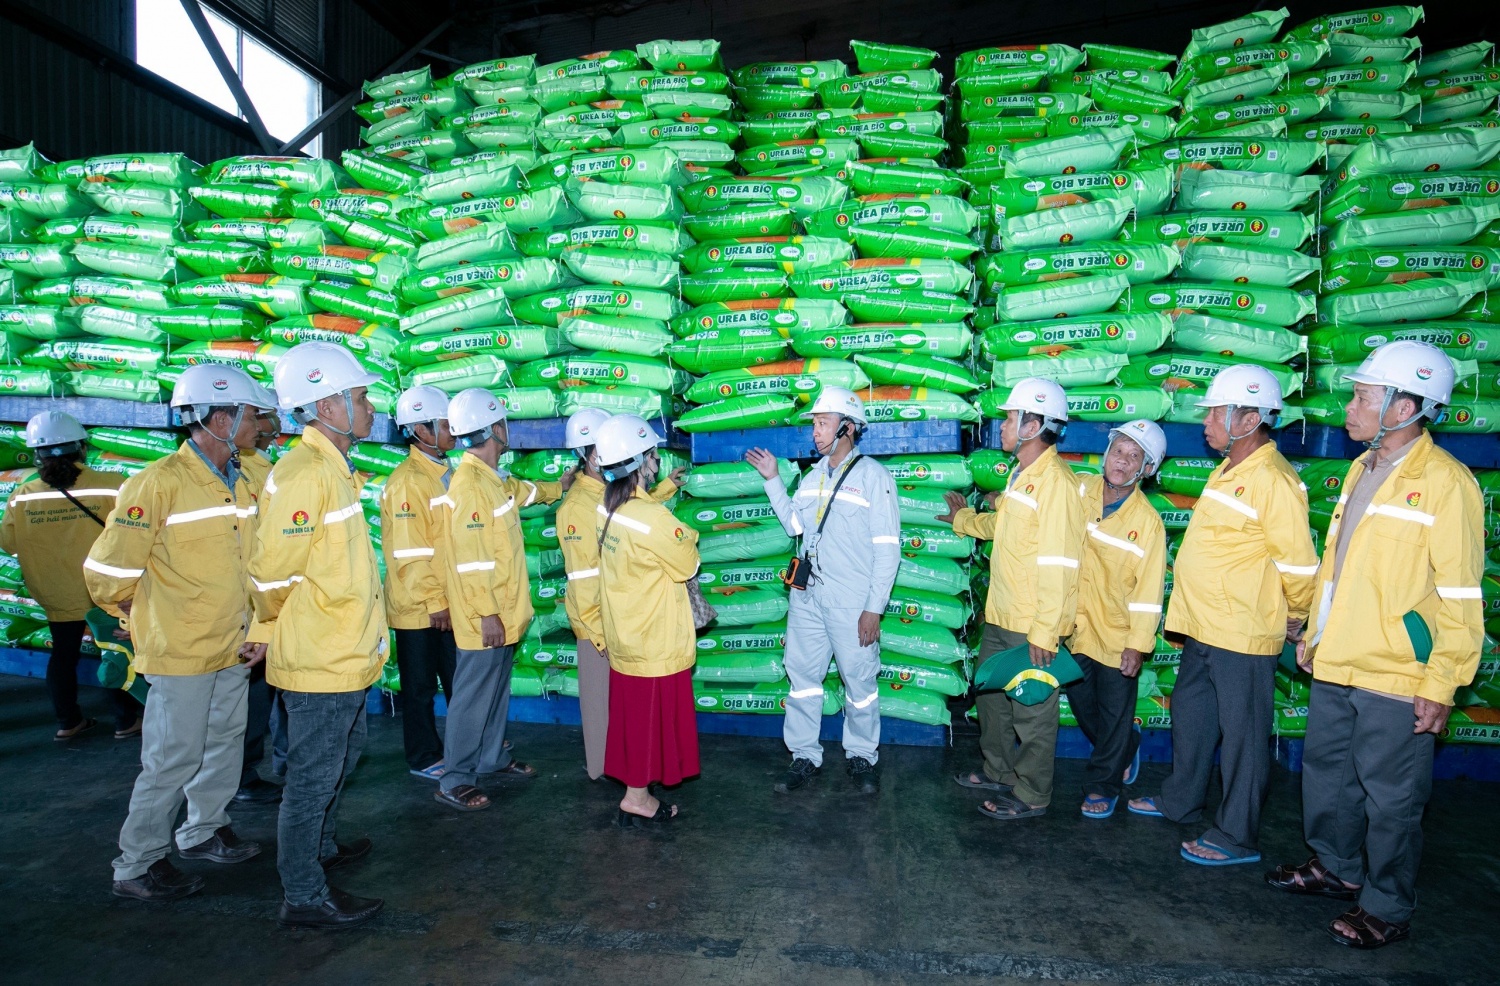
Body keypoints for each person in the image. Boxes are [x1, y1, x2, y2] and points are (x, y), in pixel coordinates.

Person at [1266, 342, 1485, 949]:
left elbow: (1462, 594)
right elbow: (1338, 567)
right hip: (1339, 656)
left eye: (1364, 396)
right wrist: (1315, 630)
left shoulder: (1446, 483)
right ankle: (1336, 867)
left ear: (1406, 404)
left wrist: (1442, 681)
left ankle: (1387, 905)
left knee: (1392, 798)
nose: (1350, 407)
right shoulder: (1364, 468)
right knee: (1329, 774)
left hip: (1398, 670)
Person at [85, 366, 275, 902]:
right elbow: (109, 570)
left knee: (223, 743)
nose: (258, 424)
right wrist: (136, 613)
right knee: (173, 756)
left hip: (233, 642)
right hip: (180, 649)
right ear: (220, 419)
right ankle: (138, 863)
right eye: (250, 415)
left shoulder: (246, 478)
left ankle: (203, 829)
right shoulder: (159, 483)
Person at [1129, 365, 1319, 867]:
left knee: (1243, 739)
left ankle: (1237, 835)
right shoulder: (1229, 469)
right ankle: (1180, 800)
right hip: (1204, 627)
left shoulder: (1275, 480)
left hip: (1243, 631)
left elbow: (1298, 564)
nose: (1207, 421)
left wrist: (1297, 618)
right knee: (1192, 719)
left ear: (1250, 417)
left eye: (1216, 411)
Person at [249, 342, 387, 929]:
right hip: (320, 655)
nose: (370, 407)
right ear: (326, 406)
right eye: (360, 398)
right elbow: (270, 572)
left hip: (344, 650)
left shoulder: (334, 467)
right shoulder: (304, 474)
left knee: (340, 757)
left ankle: (322, 847)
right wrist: (271, 626)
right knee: (311, 776)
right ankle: (304, 894)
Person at [937, 377, 1085, 820]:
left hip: (1031, 622)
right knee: (992, 699)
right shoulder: (1022, 476)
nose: (1002, 424)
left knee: (1032, 711)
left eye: (1009, 417)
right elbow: (1003, 528)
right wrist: (963, 519)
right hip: (1002, 613)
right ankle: (998, 770)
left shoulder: (1055, 482)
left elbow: (1062, 562)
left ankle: (1032, 794)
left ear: (1033, 424)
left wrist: (1046, 630)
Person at [745, 388, 901, 796]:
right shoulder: (812, 476)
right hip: (808, 598)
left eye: (822, 423)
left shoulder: (873, 477)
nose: (815, 431)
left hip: (852, 603)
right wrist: (773, 480)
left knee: (859, 683)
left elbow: (888, 549)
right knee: (803, 679)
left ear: (847, 427)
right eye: (814, 423)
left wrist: (874, 609)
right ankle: (803, 755)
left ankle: (862, 756)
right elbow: (796, 528)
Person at [435, 388, 567, 812]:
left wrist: (557, 487)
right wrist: (487, 613)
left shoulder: (492, 480)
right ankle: (455, 778)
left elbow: (521, 492)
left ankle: (490, 758)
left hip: (505, 611)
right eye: (504, 422)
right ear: (494, 428)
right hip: (485, 615)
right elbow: (472, 562)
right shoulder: (471, 487)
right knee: (472, 696)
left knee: (495, 691)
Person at [556, 408, 684, 781]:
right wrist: (599, 634)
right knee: (601, 713)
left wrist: (666, 488)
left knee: (624, 712)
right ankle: (608, 781)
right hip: (599, 627)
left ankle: (630, 779)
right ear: (593, 455)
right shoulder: (577, 507)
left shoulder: (606, 494)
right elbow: (584, 580)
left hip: (620, 622)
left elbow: (636, 520)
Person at [0, 411, 139, 740]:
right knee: (115, 652)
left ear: (37, 454)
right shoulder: (113, 485)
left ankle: (68, 722)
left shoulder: (23, 495)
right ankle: (125, 721)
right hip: (103, 590)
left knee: (63, 655)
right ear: (81, 448)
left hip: (55, 591)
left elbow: (7, 542)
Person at [594, 414, 701, 824]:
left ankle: (636, 788)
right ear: (646, 460)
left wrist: (664, 492)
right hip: (655, 639)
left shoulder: (608, 509)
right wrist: (687, 533)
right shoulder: (653, 520)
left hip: (626, 635)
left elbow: (642, 518)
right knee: (649, 723)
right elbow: (687, 563)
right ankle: (636, 797)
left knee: (634, 720)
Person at [1066, 419, 1168, 819]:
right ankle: (1125, 746)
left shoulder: (1147, 524)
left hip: (1116, 634)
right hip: (1075, 626)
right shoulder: (1080, 489)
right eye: (1118, 450)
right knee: (1081, 704)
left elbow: (1148, 592)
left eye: (1133, 456)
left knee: (1113, 712)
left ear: (1147, 469)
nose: (1121, 461)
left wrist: (1138, 644)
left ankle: (1103, 786)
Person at [381, 385, 459, 782]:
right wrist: (435, 602)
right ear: (421, 431)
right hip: (419, 607)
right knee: (420, 687)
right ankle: (423, 756)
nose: (453, 430)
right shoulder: (409, 482)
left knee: (454, 679)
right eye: (445, 424)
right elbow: (410, 553)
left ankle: (459, 746)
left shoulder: (444, 473)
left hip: (443, 600)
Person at [234, 381, 284, 804]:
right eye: (264, 416)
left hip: (266, 604)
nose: (272, 424)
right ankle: (242, 775)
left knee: (268, 695)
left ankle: (269, 762)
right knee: (248, 700)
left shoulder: (266, 467)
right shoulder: (242, 472)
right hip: (250, 607)